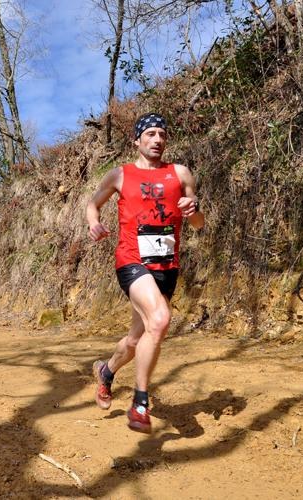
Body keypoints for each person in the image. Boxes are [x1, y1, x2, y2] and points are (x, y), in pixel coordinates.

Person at [85, 112, 204, 433]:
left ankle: (107, 372)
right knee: (161, 320)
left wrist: (193, 211)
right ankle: (140, 402)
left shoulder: (180, 174)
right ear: (136, 141)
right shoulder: (120, 175)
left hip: (167, 266)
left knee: (138, 338)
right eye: (150, 134)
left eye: (162, 134)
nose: (157, 140)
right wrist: (94, 224)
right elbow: (92, 204)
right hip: (131, 260)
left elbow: (198, 223)